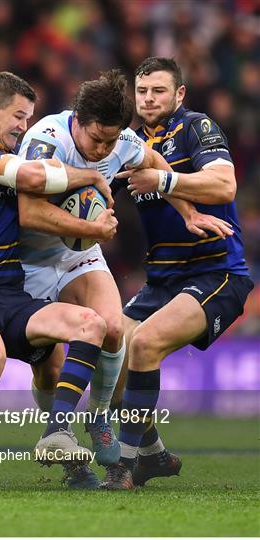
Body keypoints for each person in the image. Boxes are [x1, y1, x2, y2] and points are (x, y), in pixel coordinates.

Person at [17, 69, 234, 487]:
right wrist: (93, 229)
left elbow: (154, 162)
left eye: (110, 141)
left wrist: (188, 212)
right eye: (96, 139)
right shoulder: (47, 140)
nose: (102, 149)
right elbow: (27, 213)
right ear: (76, 120)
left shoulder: (121, 143)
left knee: (114, 327)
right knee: (50, 369)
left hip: (80, 254)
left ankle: (99, 419)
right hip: (31, 262)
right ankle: (70, 461)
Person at [0, 71, 120, 492]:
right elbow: (35, 178)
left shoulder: (8, 155)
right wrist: (88, 175)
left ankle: (58, 433)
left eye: (30, 117)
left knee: (93, 324)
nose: (24, 127)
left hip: (12, 292)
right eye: (18, 117)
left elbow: (41, 178)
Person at [101, 57, 254, 489]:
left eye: (159, 91)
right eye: (143, 91)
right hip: (162, 280)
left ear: (179, 94)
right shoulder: (126, 143)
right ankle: (152, 454)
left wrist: (165, 182)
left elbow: (224, 186)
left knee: (145, 344)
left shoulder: (196, 127)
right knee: (108, 357)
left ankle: (124, 467)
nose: (148, 99)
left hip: (216, 273)